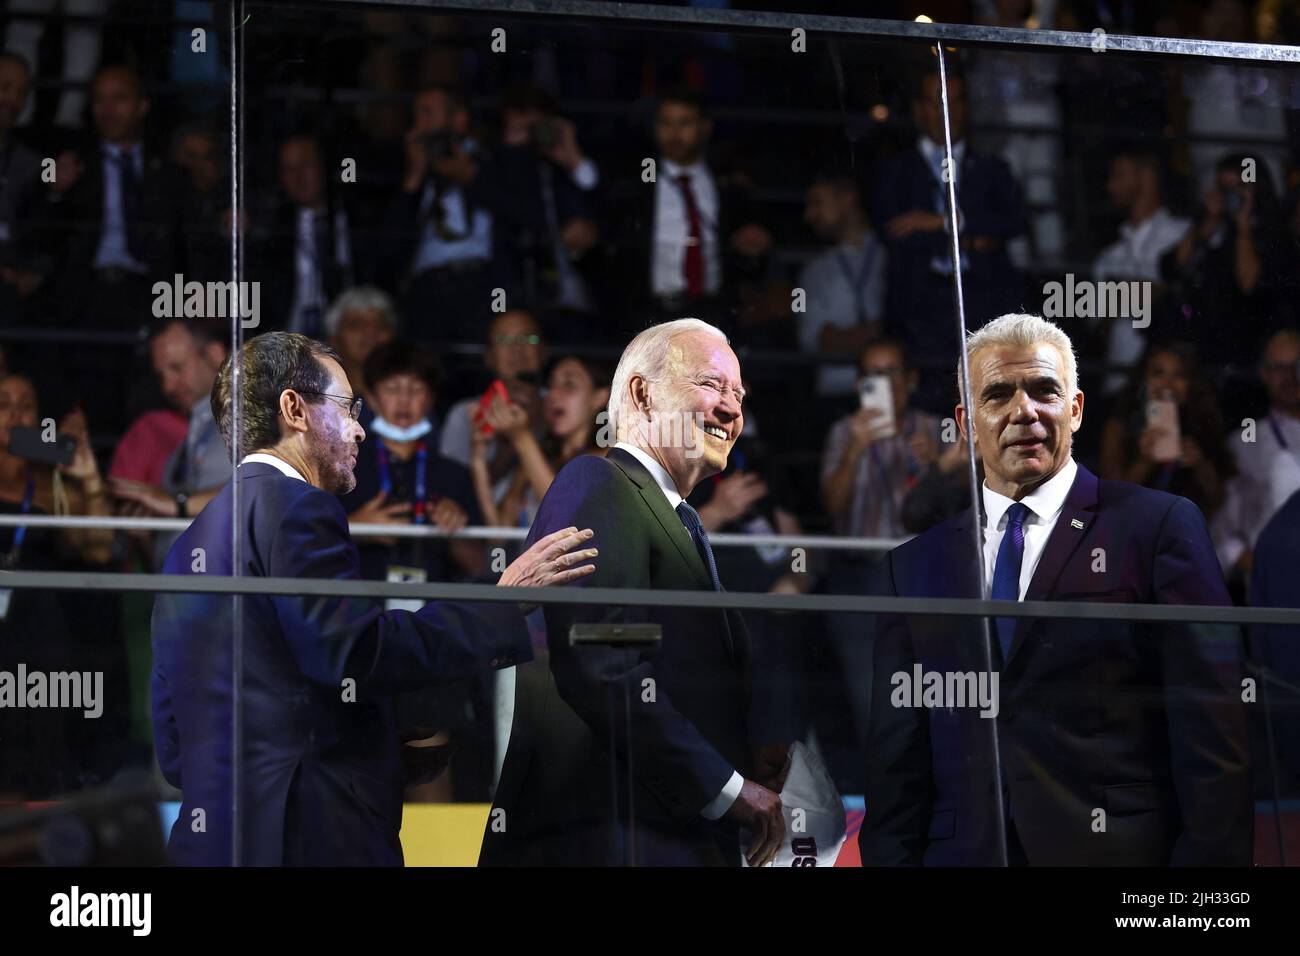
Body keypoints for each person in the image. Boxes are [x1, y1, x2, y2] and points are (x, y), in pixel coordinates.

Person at [151, 332, 599, 866]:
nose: (361, 428)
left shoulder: (187, 545)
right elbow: (350, 655)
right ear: (293, 409)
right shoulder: (298, 508)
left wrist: (374, 746)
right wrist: (503, 602)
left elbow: (178, 743)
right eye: (347, 407)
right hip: (314, 838)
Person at [860, 313, 1252, 866]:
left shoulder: (1156, 526)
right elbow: (896, 763)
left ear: (1075, 408)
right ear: (966, 423)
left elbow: (1213, 727)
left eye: (1044, 390)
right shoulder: (915, 567)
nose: (1025, 410)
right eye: (998, 394)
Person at [481, 318, 786, 867]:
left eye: (738, 394)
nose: (732, 408)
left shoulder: (677, 518)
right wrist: (726, 788)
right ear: (643, 394)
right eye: (712, 385)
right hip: (607, 839)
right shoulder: (598, 483)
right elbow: (601, 665)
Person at [872, 68, 1024, 414]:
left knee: (989, 401)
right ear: (918, 109)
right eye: (937, 101)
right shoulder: (895, 170)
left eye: (955, 101)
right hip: (918, 308)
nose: (947, 111)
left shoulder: (991, 167)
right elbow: (892, 231)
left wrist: (939, 222)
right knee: (923, 408)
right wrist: (973, 238)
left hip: (983, 302)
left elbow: (1011, 222)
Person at [110, 318, 230, 569]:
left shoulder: (261, 414)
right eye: (161, 375)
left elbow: (267, 486)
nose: (168, 386)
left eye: (177, 368)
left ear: (215, 355)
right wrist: (145, 535)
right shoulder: (179, 455)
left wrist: (178, 503)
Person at [469, 353, 611, 532]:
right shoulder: (536, 460)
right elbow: (499, 531)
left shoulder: (609, 459)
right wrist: (478, 459)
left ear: (599, 397)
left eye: (569, 385)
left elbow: (564, 515)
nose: (553, 394)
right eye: (550, 385)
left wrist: (521, 437)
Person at [1099, 341, 1234, 520]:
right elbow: (1110, 500)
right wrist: (1144, 463)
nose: (1168, 384)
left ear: (1191, 383)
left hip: (1184, 530)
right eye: (1158, 373)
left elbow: (1219, 503)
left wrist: (1200, 464)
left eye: (1179, 375)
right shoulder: (1120, 427)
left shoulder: (1204, 425)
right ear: (1143, 380)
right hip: (1132, 529)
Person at [1212, 329, 1300, 592]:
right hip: (1276, 587)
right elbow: (1222, 529)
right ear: (1264, 374)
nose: (1290, 377)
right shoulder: (1245, 443)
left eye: (1297, 366)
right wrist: (1260, 566)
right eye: (1278, 368)